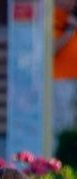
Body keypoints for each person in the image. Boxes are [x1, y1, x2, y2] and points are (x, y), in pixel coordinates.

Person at [55, 0, 77, 138]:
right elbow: (50, 49)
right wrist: (68, 29)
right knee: (64, 123)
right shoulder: (52, 17)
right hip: (61, 80)